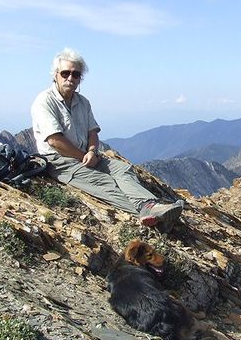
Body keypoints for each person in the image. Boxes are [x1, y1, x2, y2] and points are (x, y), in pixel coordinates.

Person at [31, 47, 183, 229]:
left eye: (76, 74)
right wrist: (82, 156)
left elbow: (92, 132)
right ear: (55, 75)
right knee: (104, 183)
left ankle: (148, 206)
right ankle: (154, 219)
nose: (70, 78)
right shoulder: (44, 101)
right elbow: (55, 141)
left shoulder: (83, 102)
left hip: (86, 154)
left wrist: (92, 151)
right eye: (65, 73)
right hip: (59, 161)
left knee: (123, 170)